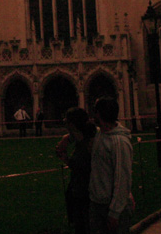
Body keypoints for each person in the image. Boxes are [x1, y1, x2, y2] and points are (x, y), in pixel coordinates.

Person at [88, 97, 133, 234]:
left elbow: (122, 178)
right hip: (98, 203)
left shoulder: (119, 142)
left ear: (99, 114)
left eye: (95, 111)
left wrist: (115, 212)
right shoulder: (100, 134)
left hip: (112, 207)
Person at [56, 107, 96, 234]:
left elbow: (82, 168)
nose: (65, 124)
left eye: (66, 121)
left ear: (72, 125)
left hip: (86, 195)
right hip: (79, 193)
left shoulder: (89, 145)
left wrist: (66, 158)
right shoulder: (83, 139)